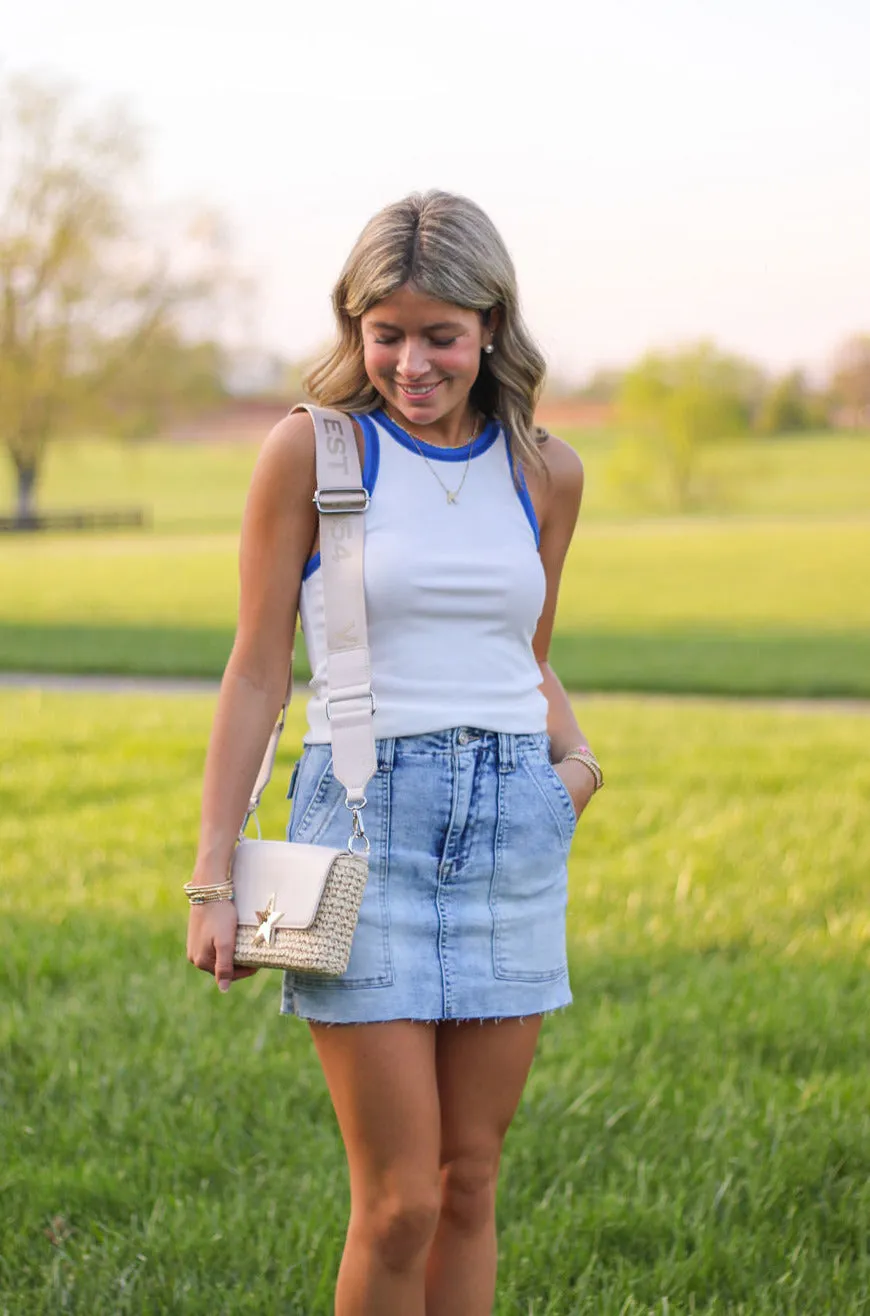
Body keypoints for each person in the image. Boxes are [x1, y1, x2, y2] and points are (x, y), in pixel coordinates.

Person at [186, 189, 602, 1315]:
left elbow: (528, 650)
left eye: (440, 335)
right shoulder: (311, 450)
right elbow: (259, 670)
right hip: (369, 824)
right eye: (386, 332)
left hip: (515, 823)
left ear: (491, 328)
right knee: (400, 1201)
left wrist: (578, 768)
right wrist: (213, 875)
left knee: (470, 1183)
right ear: (354, 326)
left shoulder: (546, 470)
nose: (411, 362)